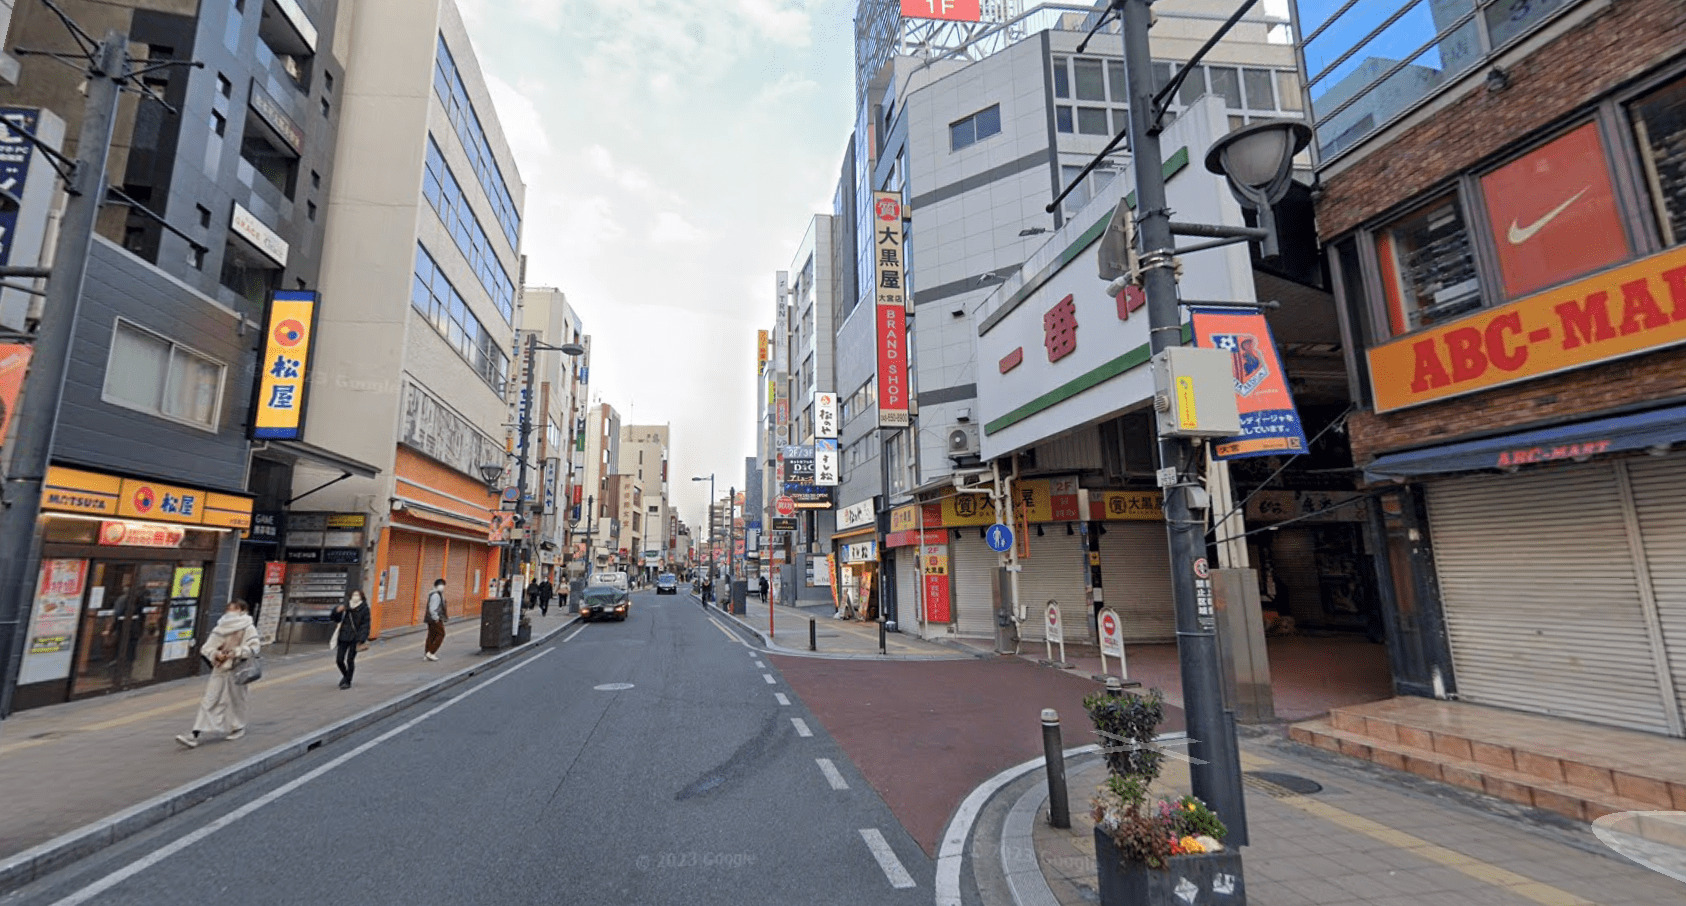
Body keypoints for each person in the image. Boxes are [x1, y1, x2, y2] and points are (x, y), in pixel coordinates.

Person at [175, 600, 260, 748]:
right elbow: (206, 648)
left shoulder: (248, 628)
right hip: (220, 670)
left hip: (238, 669)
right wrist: (215, 654)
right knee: (209, 700)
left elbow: (254, 647)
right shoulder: (220, 628)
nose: (230, 612)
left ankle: (237, 726)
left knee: (236, 700)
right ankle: (195, 734)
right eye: (228, 609)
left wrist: (236, 652)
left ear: (242, 610)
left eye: (234, 609)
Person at [330, 589, 371, 689]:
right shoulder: (346, 607)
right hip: (343, 636)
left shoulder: (364, 609)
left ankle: (347, 682)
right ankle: (345, 676)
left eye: (357, 595)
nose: (355, 597)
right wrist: (337, 611)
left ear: (361, 597)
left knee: (350, 660)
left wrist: (361, 638)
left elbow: (365, 625)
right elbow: (335, 619)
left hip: (355, 638)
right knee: (339, 660)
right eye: (353, 595)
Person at [423, 579, 448, 661]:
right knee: (441, 634)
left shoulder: (436, 594)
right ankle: (431, 652)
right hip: (435, 619)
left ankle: (427, 653)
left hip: (431, 618)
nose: (443, 587)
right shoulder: (436, 595)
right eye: (442, 585)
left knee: (432, 635)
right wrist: (436, 618)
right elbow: (432, 608)